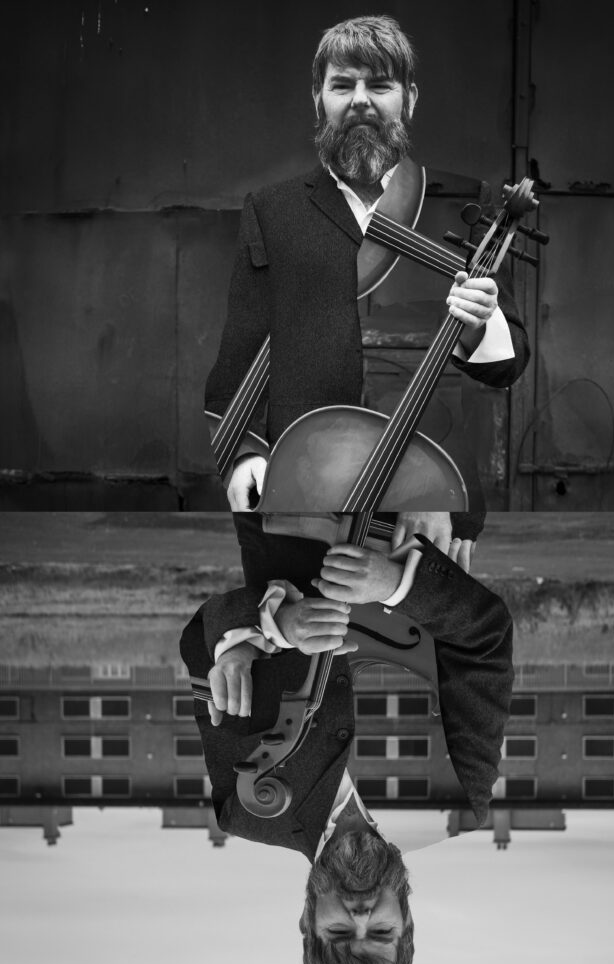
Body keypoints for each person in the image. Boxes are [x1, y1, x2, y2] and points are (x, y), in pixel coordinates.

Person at [205, 15, 529, 566]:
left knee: (424, 647)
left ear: (409, 98)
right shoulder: (273, 209)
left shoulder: (465, 205)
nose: (361, 100)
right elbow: (242, 347)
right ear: (318, 98)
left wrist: (481, 320)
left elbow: (507, 364)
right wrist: (242, 455)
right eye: (342, 85)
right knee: (298, 643)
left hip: (431, 494)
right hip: (303, 490)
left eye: (379, 85)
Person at [180, 534, 514, 964]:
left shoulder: (246, 809)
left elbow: (198, 639)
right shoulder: (459, 805)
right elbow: (486, 636)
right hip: (412, 524)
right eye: (381, 930)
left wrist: (262, 634)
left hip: (283, 521)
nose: (361, 915)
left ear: (307, 920)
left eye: (339, 932)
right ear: (406, 920)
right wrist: (398, 584)